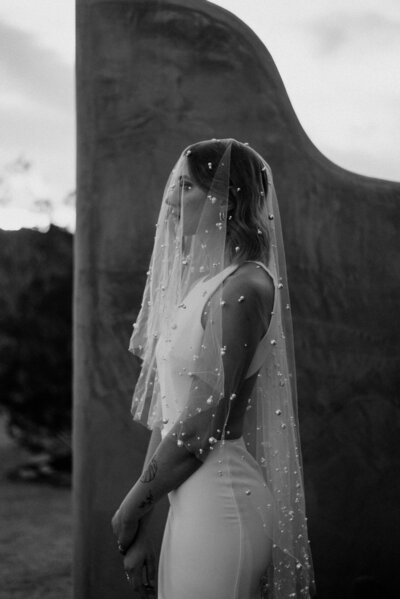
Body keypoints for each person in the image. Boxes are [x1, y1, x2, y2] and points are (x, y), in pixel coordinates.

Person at [112, 139, 314, 598]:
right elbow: (170, 416)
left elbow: (202, 424)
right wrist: (143, 520)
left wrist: (128, 509)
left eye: (185, 186)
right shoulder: (203, 286)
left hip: (222, 505)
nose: (169, 199)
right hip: (191, 504)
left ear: (227, 196)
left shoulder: (245, 286)